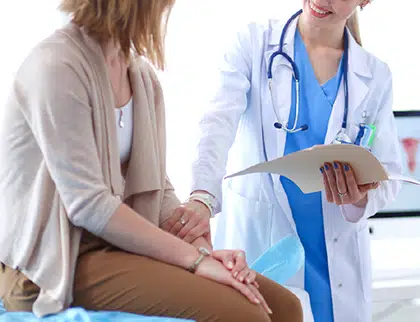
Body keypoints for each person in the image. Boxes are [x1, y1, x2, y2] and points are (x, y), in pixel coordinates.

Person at [0, 1, 303, 321]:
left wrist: (205, 252)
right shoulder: (56, 68)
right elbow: (89, 205)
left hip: (110, 248)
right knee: (246, 315)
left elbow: (157, 186)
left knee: (285, 307)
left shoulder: (141, 77)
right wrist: (194, 261)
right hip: (54, 263)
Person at [188, 1, 402, 321]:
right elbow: (216, 126)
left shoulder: (375, 75)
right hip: (263, 250)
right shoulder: (254, 44)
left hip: (332, 266)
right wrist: (202, 196)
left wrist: (359, 197)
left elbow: (390, 173)